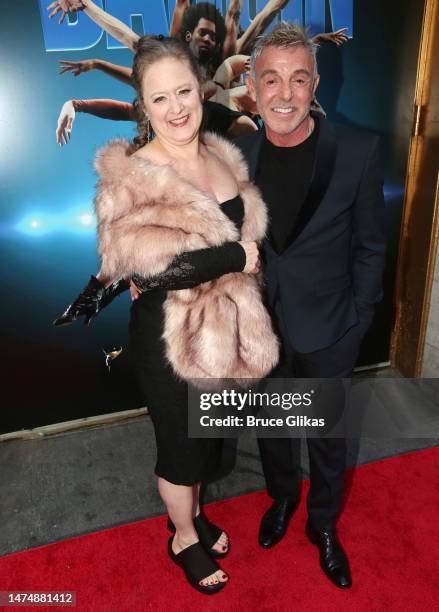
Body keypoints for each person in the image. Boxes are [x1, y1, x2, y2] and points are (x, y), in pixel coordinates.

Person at [55, 35, 279, 594]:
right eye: (161, 99)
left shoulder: (222, 153)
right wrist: (233, 256)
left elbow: (242, 232)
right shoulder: (130, 176)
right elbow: (147, 273)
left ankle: (195, 515)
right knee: (180, 450)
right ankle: (182, 536)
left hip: (223, 333)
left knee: (206, 442)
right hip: (168, 337)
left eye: (184, 92)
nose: (177, 108)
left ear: (202, 90)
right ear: (143, 106)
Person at [234, 22, 386, 588]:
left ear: (316, 83)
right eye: (270, 79)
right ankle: (279, 501)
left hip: (329, 330)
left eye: (299, 78)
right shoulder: (237, 156)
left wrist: (357, 321)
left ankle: (323, 525)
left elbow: (370, 246)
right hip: (262, 331)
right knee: (272, 430)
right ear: (252, 85)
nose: (285, 93)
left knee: (326, 439)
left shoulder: (357, 150)